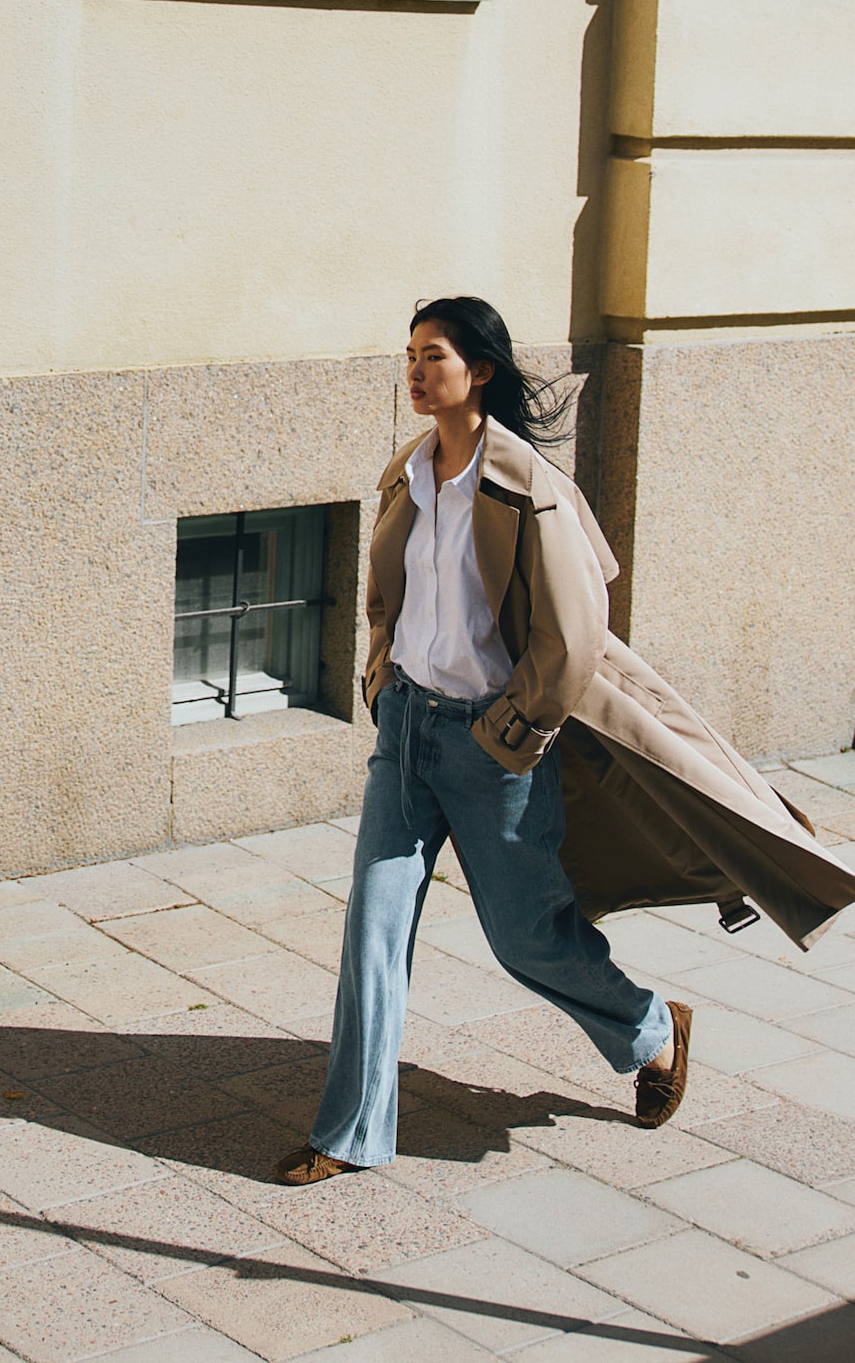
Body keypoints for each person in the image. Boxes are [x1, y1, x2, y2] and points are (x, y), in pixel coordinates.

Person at [274, 296, 688, 1183]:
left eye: (435, 356)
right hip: (408, 732)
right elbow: (389, 593)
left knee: (527, 939)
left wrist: (518, 726)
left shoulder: (526, 485)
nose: (418, 372)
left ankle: (652, 1029)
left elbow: (575, 633)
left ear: (481, 372)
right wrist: (382, 678)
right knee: (373, 930)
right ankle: (348, 1134)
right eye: (411, 355)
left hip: (493, 745)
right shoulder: (409, 471)